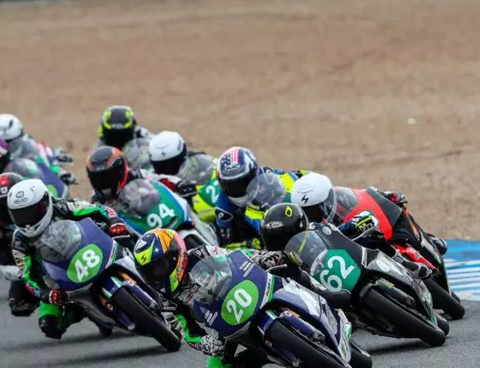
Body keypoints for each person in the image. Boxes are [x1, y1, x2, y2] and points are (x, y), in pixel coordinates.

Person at [133, 227, 351, 368]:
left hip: (245, 288)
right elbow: (187, 332)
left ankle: (323, 293)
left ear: (175, 255)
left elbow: (235, 256)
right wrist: (206, 343)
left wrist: (263, 258)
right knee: (215, 367)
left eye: (159, 266)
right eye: (150, 272)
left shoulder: (201, 253)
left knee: (287, 265)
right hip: (224, 326)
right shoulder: (167, 301)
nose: (157, 275)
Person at [7, 179, 133, 339]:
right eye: (20, 215)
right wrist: (47, 294)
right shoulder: (19, 241)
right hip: (57, 279)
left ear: (44, 203)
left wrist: (114, 222)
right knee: (49, 325)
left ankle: (146, 271)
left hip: (88, 249)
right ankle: (80, 310)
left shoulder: (62, 206)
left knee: (125, 235)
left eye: (30, 212)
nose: (26, 220)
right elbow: (26, 276)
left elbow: (100, 209)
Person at [290, 172, 444, 277]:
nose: (314, 216)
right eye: (308, 212)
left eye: (317, 210)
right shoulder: (307, 228)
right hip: (347, 254)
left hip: (361, 231)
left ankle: (424, 239)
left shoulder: (341, 196)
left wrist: (384, 196)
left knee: (396, 205)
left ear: (329, 199)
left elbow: (364, 194)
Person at [212, 146, 309, 249]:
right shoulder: (223, 208)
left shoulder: (267, 174)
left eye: (242, 182)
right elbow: (224, 245)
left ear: (255, 172)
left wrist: (303, 177)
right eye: (230, 186)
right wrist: (247, 244)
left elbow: (288, 176)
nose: (237, 189)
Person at [0, 172, 40, 316]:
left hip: (57, 249)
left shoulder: (40, 207)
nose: (8, 211)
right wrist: (22, 270)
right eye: (2, 208)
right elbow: (3, 257)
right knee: (19, 307)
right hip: (27, 263)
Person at [85, 146, 197, 207]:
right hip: (134, 232)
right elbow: (95, 215)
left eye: (107, 176)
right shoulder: (96, 199)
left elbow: (160, 179)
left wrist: (179, 183)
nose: (103, 181)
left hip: (152, 213)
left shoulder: (136, 174)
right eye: (97, 178)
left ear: (120, 171)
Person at [0, 113, 73, 165]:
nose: (7, 149)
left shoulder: (32, 149)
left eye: (13, 143)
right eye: (1, 145)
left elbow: (45, 156)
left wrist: (56, 157)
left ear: (22, 137)